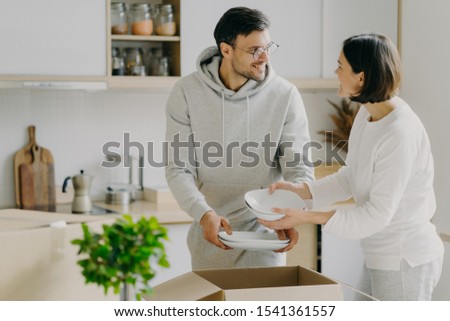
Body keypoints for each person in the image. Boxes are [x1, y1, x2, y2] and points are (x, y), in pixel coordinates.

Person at [259, 34, 444, 301]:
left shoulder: (399, 133)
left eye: (340, 66)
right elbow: (351, 176)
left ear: (361, 77)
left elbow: (376, 215)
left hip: (405, 259)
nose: (336, 72)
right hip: (380, 255)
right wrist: (303, 191)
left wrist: (308, 217)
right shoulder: (367, 114)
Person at [165, 7, 313, 270]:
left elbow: (299, 169)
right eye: (255, 50)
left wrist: (290, 213)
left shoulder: (285, 95)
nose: (265, 57)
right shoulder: (186, 92)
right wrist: (204, 214)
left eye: (268, 47)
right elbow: (178, 168)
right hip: (209, 236)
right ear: (226, 49)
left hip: (267, 237)